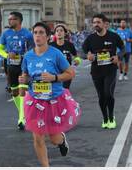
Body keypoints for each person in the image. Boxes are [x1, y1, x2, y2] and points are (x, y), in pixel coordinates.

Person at [19, 22, 81, 167]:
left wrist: (54, 78)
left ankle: (61, 141)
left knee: (54, 139)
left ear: (47, 36)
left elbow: (71, 73)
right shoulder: (28, 56)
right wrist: (24, 81)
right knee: (38, 138)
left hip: (54, 101)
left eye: (41, 33)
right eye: (35, 33)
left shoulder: (55, 54)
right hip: (35, 100)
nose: (38, 36)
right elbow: (26, 75)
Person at [82, 14, 124, 129]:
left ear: (105, 23)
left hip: (110, 70)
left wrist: (118, 57)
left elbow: (123, 48)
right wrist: (88, 55)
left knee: (108, 93)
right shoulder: (90, 38)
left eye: (98, 22)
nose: (96, 24)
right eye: (94, 22)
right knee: (101, 96)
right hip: (96, 71)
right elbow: (83, 51)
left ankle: (111, 117)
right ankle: (105, 118)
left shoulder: (113, 36)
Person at [0, 11, 34, 130]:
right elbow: (0, 49)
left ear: (18, 21)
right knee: (14, 92)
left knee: (22, 91)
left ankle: (21, 118)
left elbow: (32, 50)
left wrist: (24, 56)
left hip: (23, 66)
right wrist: (7, 55)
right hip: (11, 66)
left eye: (12, 19)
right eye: (9, 19)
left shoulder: (27, 34)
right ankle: (24, 113)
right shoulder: (6, 33)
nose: (9, 21)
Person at [49, 23, 81, 89]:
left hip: (67, 72)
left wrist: (77, 60)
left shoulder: (69, 45)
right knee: (55, 91)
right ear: (55, 33)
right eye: (57, 31)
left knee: (64, 90)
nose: (59, 32)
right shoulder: (50, 46)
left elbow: (76, 56)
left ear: (65, 33)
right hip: (54, 72)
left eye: (61, 30)